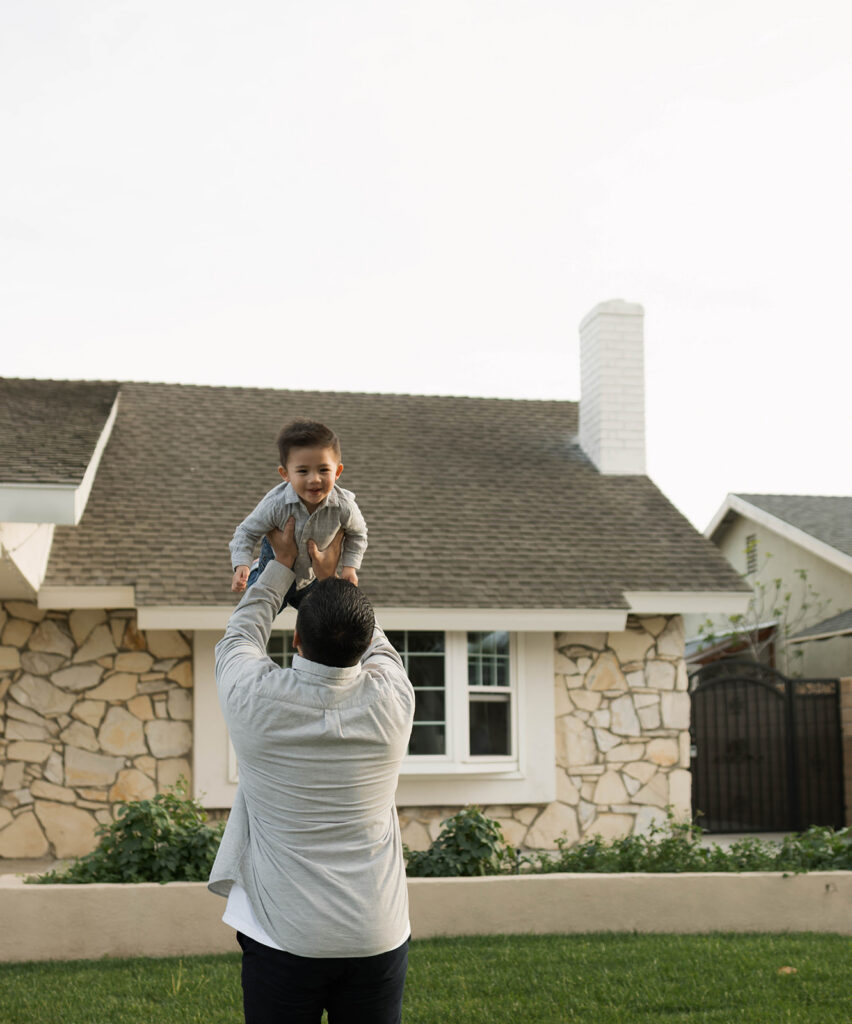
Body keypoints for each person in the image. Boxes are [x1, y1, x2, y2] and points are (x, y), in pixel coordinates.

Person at [209, 518, 415, 1024]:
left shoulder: (254, 699)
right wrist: (333, 581)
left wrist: (280, 568)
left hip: (284, 937)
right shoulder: (394, 702)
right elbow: (374, 641)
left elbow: (241, 634)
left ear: (296, 641)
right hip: (376, 935)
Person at [229, 419, 368, 609]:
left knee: (329, 619)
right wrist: (241, 565)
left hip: (312, 581)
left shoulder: (344, 506)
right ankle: (254, 569)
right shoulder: (276, 504)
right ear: (285, 474)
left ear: (337, 472)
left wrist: (350, 567)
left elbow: (358, 534)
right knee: (253, 611)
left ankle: (303, 628)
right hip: (272, 571)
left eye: (323, 470)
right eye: (303, 471)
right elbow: (246, 532)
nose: (314, 479)